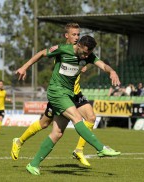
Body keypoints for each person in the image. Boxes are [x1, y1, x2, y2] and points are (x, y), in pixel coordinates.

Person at [16, 35, 121, 175]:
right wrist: (24, 67)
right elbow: (42, 53)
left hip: (69, 95)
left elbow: (103, 65)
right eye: (84, 52)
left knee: (57, 133)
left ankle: (33, 164)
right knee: (77, 117)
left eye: (88, 54)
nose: (85, 56)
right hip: (56, 92)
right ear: (78, 45)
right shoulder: (63, 49)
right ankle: (100, 148)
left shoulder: (87, 55)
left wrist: (112, 71)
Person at [11, 23, 98, 167]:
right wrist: (24, 67)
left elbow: (89, 60)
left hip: (75, 93)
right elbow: (42, 54)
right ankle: (19, 141)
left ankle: (79, 150)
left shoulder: (83, 51)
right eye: (74, 34)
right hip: (61, 95)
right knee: (44, 124)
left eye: (78, 34)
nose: (77, 37)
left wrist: (86, 64)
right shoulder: (60, 50)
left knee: (91, 117)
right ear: (67, 36)